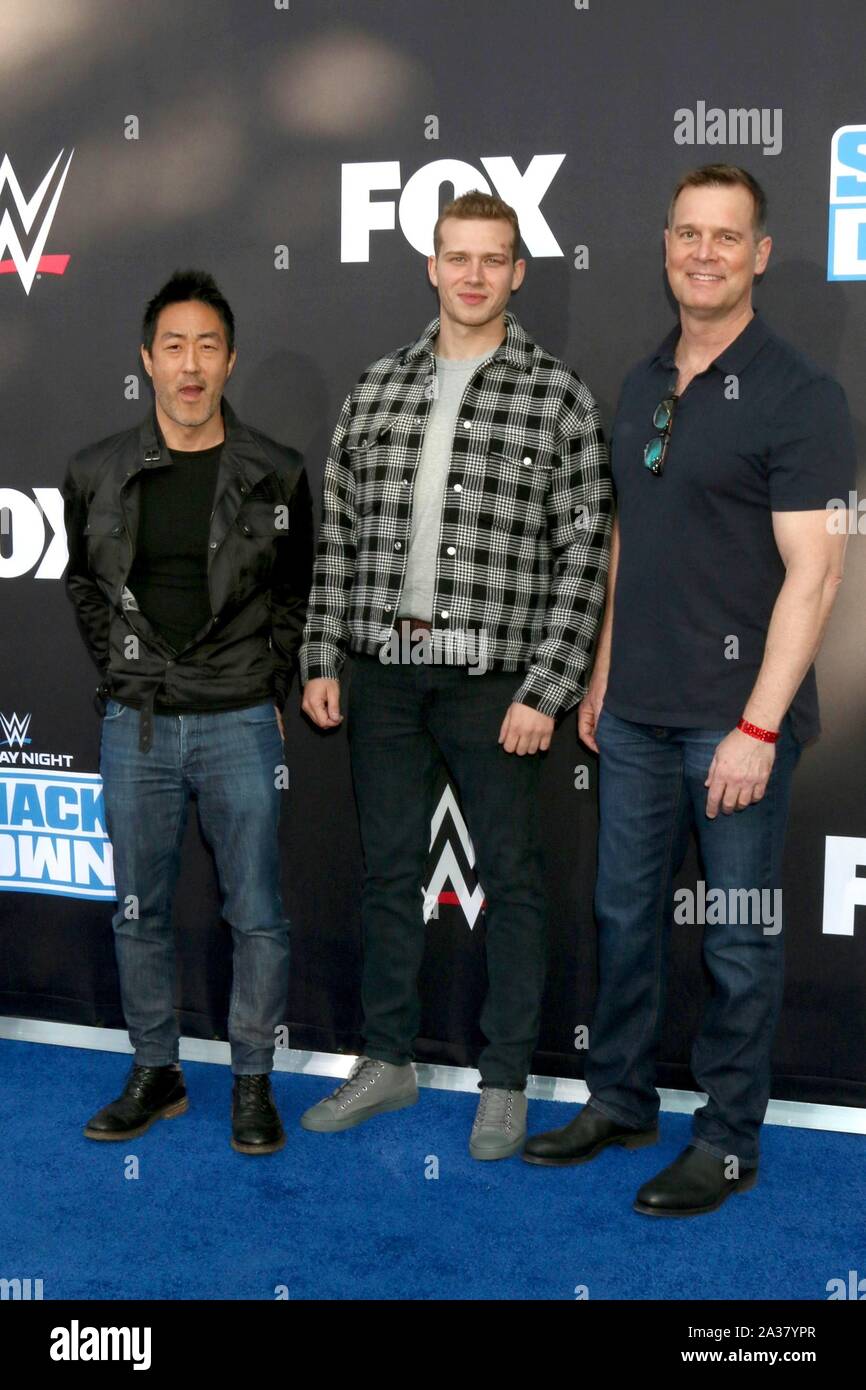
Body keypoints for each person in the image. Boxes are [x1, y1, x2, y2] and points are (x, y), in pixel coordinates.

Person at [523, 165, 856, 1215]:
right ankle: (619, 1098)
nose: (703, 253)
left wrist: (756, 726)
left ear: (758, 255)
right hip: (630, 716)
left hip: (734, 726)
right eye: (686, 234)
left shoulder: (801, 394)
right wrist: (604, 669)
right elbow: (629, 540)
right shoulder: (640, 381)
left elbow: (819, 571)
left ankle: (724, 1140)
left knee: (737, 937)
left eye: (726, 237)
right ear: (665, 246)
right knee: (622, 918)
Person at [299, 191, 612, 1159]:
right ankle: (386, 1060)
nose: (473, 274)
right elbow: (337, 539)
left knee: (510, 881)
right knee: (388, 872)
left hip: (494, 683)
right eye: (455, 256)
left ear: (517, 273)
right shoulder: (376, 386)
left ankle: (506, 1080)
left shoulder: (556, 395)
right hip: (382, 672)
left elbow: (583, 551)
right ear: (429, 268)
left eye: (493, 258)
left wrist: (545, 687)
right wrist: (321, 654)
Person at [63, 269, 313, 1155]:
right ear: (147, 360)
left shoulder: (276, 472)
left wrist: (266, 681)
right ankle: (156, 1070)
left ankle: (252, 1082)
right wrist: (129, 670)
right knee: (139, 909)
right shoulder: (95, 470)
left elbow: (295, 595)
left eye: (208, 346)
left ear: (230, 358)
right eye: (175, 346)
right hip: (136, 723)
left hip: (240, 719)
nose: (192, 365)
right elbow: (87, 590)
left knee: (257, 913)